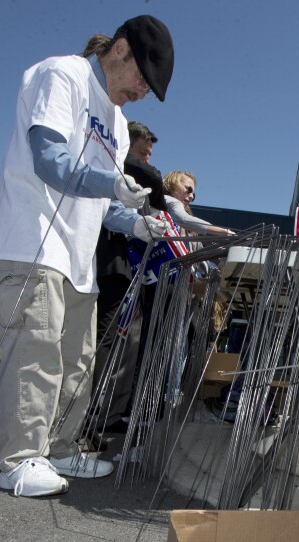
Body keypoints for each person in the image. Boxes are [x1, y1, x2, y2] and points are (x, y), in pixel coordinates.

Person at [0, 15, 174, 497]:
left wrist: (133, 221)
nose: (143, 92)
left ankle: (62, 448)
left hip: (77, 254)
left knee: (76, 363)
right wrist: (112, 184)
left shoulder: (112, 116)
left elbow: (102, 197)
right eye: (142, 79)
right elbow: (49, 159)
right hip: (33, 242)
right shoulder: (62, 75)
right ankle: (20, 459)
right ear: (120, 50)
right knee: (36, 355)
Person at [91, 121, 168, 437]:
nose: (147, 161)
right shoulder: (117, 170)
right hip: (110, 265)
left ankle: (108, 414)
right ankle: (92, 416)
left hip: (130, 269)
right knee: (105, 342)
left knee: (125, 345)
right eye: (142, 153)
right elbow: (151, 177)